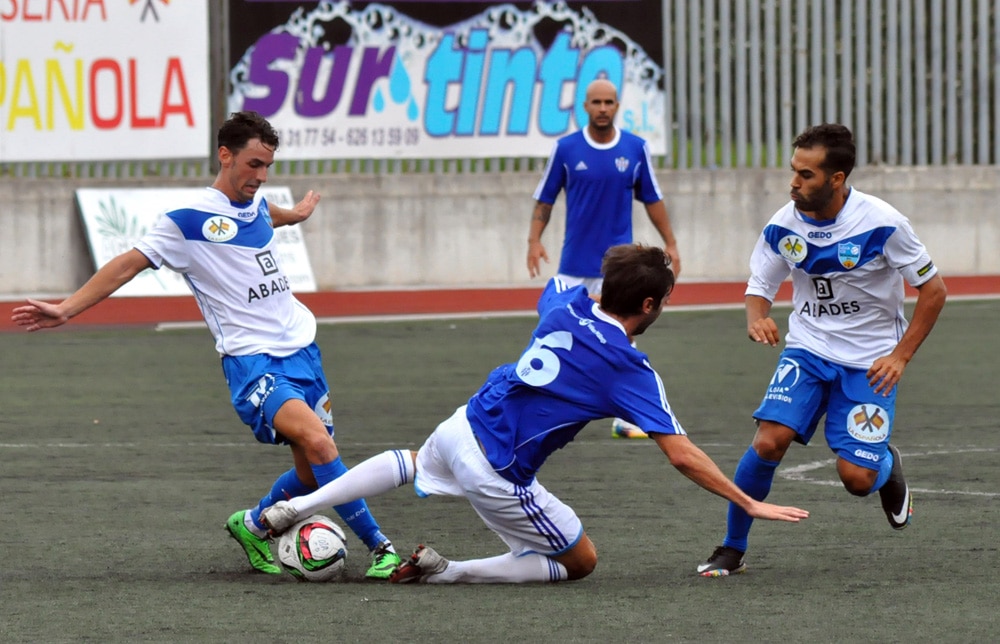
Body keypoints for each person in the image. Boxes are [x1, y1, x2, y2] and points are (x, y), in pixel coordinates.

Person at [259, 244, 810, 584]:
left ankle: (297, 506)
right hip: (498, 468)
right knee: (580, 562)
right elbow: (682, 454)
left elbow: (557, 287)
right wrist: (746, 501)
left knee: (412, 460)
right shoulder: (628, 367)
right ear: (649, 306)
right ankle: (450, 573)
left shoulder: (567, 303)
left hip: (466, 421)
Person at [10, 111, 403, 579]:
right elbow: (126, 264)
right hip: (254, 363)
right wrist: (67, 309)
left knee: (307, 473)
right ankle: (382, 550)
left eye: (267, 167)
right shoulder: (187, 220)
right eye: (253, 164)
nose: (260, 176)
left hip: (303, 350)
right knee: (320, 445)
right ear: (225, 155)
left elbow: (261, 217)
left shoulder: (255, 204)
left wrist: (292, 215)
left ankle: (254, 524)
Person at [696, 123, 947, 577]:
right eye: (793, 171)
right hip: (807, 351)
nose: (794, 182)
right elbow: (760, 286)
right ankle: (732, 546)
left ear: (837, 178)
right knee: (769, 441)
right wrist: (757, 317)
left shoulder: (883, 223)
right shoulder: (782, 224)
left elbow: (934, 290)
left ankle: (887, 467)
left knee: (856, 480)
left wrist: (900, 356)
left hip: (870, 362)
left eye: (806, 175)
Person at [527, 78, 681, 440]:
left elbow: (653, 199)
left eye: (609, 102)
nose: (602, 108)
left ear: (617, 105)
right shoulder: (565, 149)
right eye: (595, 102)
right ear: (585, 106)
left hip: (621, 269)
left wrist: (670, 243)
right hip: (573, 265)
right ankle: (547, 401)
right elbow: (545, 200)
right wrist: (533, 240)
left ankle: (628, 416)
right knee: (557, 330)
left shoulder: (635, 148)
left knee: (624, 336)